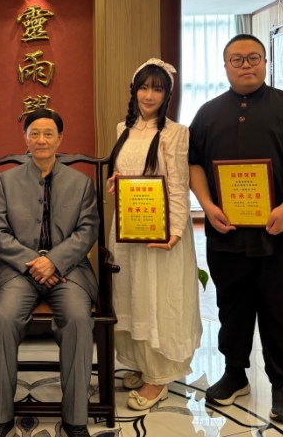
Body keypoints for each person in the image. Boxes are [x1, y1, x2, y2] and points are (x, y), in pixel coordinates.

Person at [188, 34, 283, 423]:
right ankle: (235, 374)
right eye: (237, 59)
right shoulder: (207, 113)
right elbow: (194, 163)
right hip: (226, 232)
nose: (246, 65)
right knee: (231, 307)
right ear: (225, 66)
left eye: (253, 58)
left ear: (266, 62)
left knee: (282, 309)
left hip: (278, 231)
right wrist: (207, 205)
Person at [0, 108, 99, 437]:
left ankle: (75, 419)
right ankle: (0, 416)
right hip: (18, 271)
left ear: (60, 138)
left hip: (69, 271)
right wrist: (35, 262)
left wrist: (55, 261)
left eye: (49, 133)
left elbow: (87, 230)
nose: (41, 140)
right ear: (25, 138)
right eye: (34, 133)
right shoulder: (6, 182)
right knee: (3, 318)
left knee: (78, 319)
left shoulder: (81, 183)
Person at [106, 58, 202, 410]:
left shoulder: (176, 133)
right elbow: (127, 171)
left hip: (160, 232)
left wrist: (174, 232)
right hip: (129, 227)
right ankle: (142, 363)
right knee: (132, 293)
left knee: (158, 297)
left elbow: (178, 184)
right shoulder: (123, 128)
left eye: (157, 89)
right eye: (144, 88)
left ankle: (158, 376)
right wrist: (118, 180)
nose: (149, 95)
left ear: (167, 95)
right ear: (133, 91)